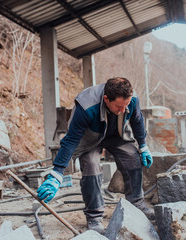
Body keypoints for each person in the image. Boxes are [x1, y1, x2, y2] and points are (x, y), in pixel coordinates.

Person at [37, 77, 154, 234]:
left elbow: (137, 120)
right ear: (106, 99)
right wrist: (56, 173)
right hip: (90, 140)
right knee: (92, 166)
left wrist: (143, 146)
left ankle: (137, 204)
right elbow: (70, 140)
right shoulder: (86, 106)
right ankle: (94, 217)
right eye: (119, 106)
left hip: (116, 136)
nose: (123, 110)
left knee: (132, 157)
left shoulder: (131, 100)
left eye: (126, 105)